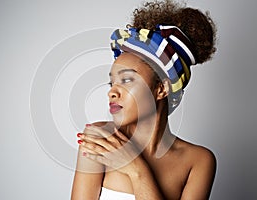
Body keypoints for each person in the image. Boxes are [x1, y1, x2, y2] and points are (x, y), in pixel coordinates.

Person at [71, 0, 217, 199]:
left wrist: (136, 170)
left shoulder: (199, 162)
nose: (112, 92)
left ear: (161, 89)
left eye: (127, 79)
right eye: (112, 82)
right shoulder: (100, 139)